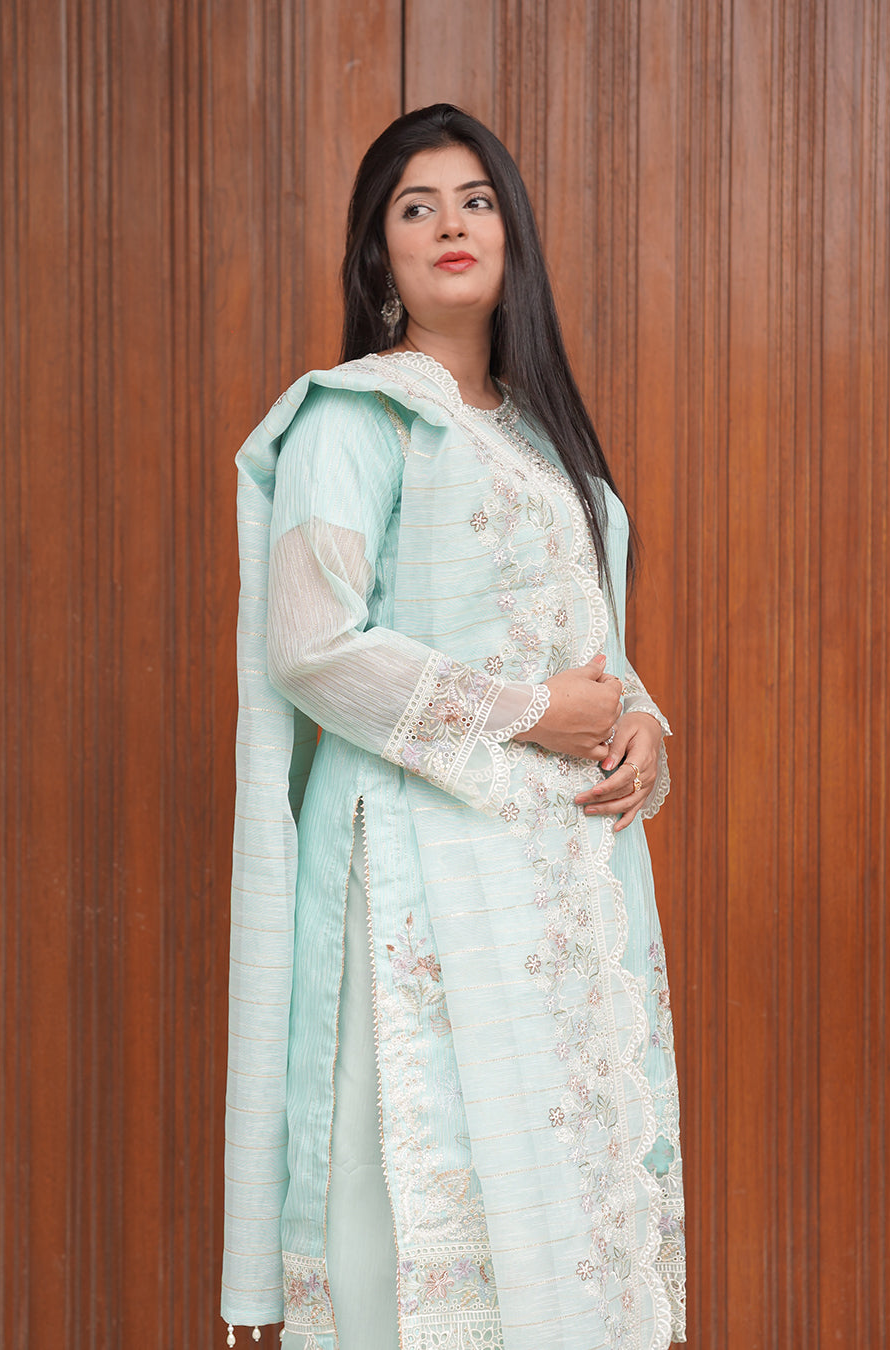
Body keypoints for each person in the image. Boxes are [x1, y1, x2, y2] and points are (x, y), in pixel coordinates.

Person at [222, 104, 685, 1350]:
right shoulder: (354, 418)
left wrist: (639, 723)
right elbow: (313, 644)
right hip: (418, 876)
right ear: (380, 253)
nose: (449, 225)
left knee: (559, 1193)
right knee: (419, 1185)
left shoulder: (541, 438)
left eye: (475, 200)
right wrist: (534, 713)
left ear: (511, 231)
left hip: (557, 886)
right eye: (415, 207)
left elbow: (586, 642)